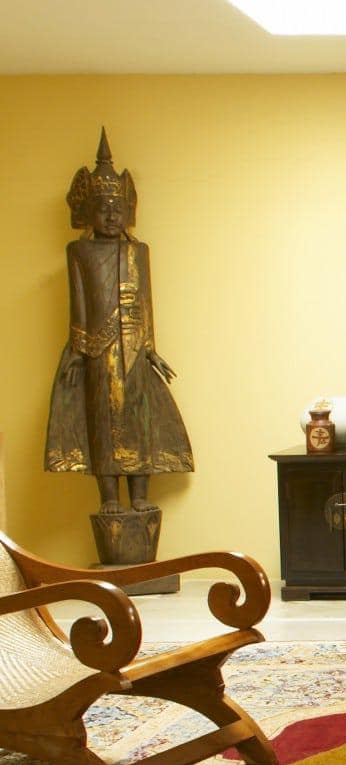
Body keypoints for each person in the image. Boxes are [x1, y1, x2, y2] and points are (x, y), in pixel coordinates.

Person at [45, 128, 193, 514]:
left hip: (136, 350)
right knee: (103, 424)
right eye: (103, 208)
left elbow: (146, 303)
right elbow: (79, 305)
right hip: (98, 351)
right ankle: (110, 497)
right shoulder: (79, 252)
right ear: (88, 212)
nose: (112, 215)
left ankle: (140, 494)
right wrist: (78, 350)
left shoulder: (138, 252)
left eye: (118, 208)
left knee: (139, 423)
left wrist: (151, 350)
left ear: (128, 211)